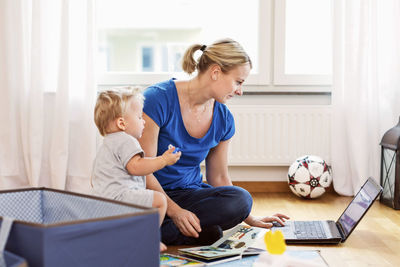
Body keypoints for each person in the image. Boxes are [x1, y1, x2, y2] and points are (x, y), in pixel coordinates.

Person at [139, 38, 289, 245]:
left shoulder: (223, 118)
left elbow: (218, 176)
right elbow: (141, 171)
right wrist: (176, 212)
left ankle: (157, 231)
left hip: (189, 193)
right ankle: (157, 228)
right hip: (150, 195)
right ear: (216, 72)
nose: (240, 91)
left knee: (241, 199)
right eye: (238, 81)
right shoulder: (158, 99)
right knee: (212, 231)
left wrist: (250, 218)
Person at [91, 87, 181, 251]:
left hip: (102, 201)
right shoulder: (126, 140)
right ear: (122, 123)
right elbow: (136, 166)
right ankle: (149, 239)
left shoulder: (107, 144)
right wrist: (163, 160)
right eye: (139, 117)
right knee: (159, 201)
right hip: (120, 197)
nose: (143, 121)